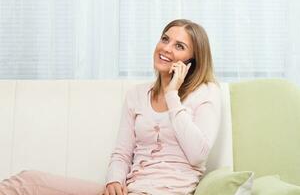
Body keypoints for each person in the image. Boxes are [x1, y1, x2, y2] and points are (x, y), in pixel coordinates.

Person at [0, 19, 221, 195]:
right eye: (165, 39)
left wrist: (173, 95)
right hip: (129, 189)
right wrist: (114, 180)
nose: (166, 48)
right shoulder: (136, 95)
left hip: (165, 191)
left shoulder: (205, 92)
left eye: (179, 46)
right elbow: (122, 153)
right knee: (27, 181)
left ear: (193, 60)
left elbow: (198, 155)